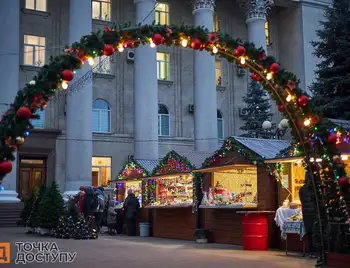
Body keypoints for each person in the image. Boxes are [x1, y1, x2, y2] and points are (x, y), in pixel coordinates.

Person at [299, 173, 317, 258]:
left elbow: (302, 201)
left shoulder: (302, 189)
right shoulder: (314, 188)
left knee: (309, 233)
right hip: (314, 213)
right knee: (316, 232)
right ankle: (316, 251)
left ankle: (311, 251)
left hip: (306, 213)